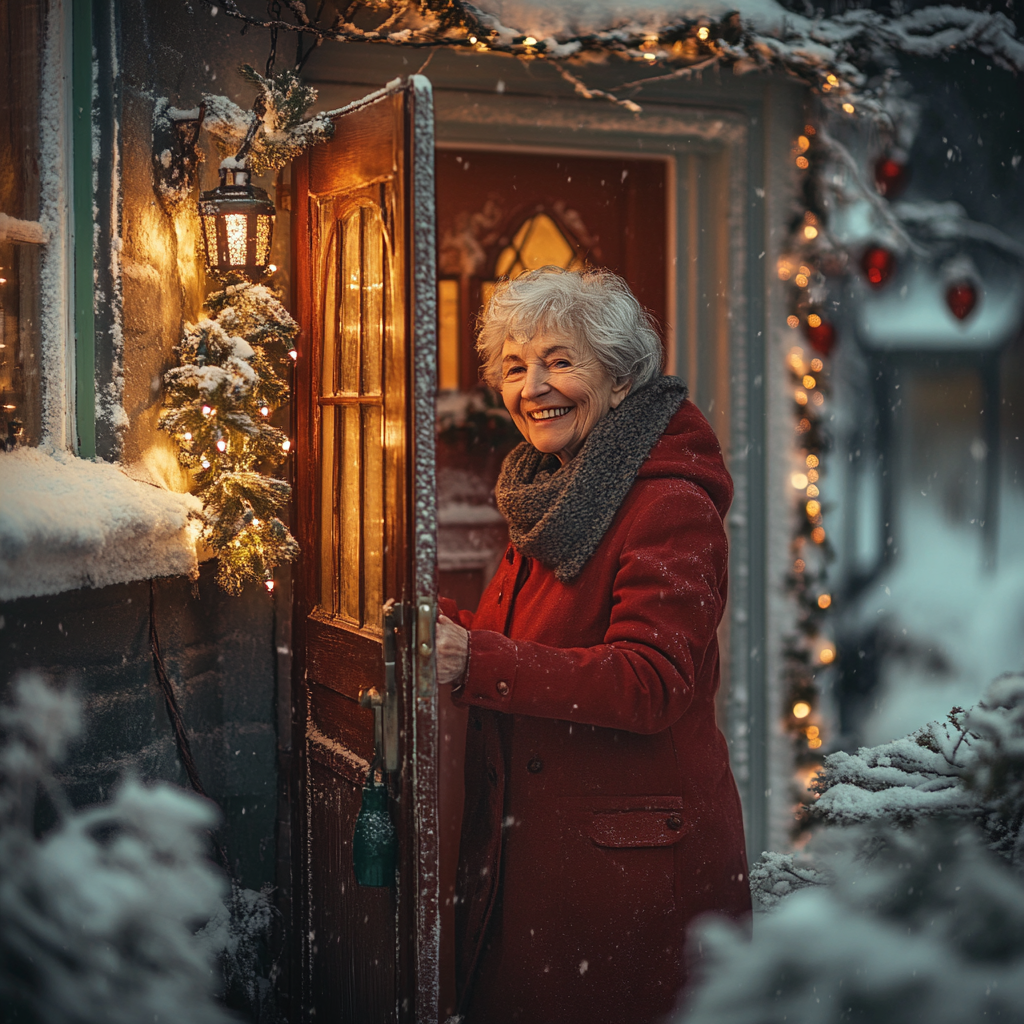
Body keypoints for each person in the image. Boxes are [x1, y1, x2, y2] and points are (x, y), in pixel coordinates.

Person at [435, 267, 750, 1024]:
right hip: (551, 856)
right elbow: (538, 639)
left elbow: (649, 681)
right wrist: (440, 626)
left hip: (626, 872)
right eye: (514, 367)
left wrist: (476, 661)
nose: (533, 386)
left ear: (619, 379)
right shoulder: (556, 489)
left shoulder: (667, 502)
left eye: (560, 360)